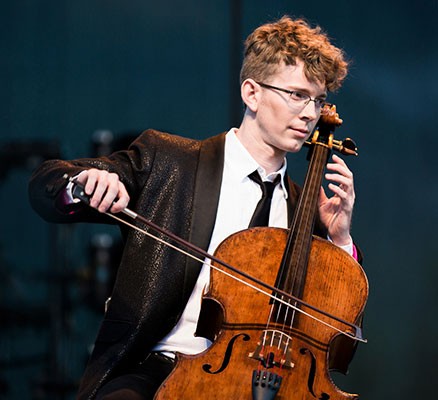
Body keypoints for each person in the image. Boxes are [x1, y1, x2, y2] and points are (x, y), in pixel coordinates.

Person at [29, 15, 362, 400]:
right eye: (297, 95)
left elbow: (338, 334)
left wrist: (340, 241)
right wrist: (83, 185)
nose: (309, 113)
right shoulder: (169, 162)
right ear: (251, 93)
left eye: (318, 100)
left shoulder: (307, 210)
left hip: (264, 384)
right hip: (158, 370)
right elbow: (46, 185)